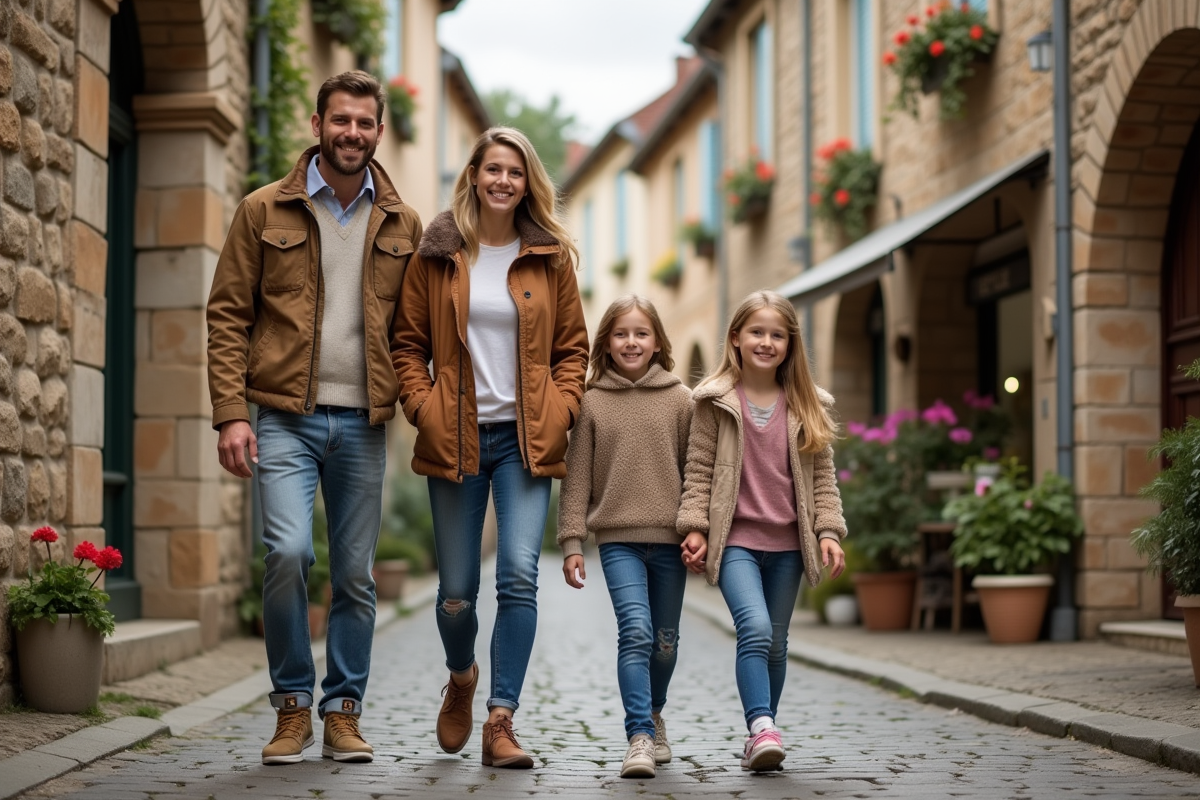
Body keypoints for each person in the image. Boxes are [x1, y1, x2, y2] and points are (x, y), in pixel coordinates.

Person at [207, 71, 422, 766]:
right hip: (283, 418)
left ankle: (344, 711)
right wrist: (229, 415)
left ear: (379, 131)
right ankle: (292, 707)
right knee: (290, 552)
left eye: (364, 122)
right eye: (341, 120)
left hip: (363, 421)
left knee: (355, 576)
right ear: (318, 122)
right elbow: (228, 316)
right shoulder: (262, 211)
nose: (352, 133)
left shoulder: (403, 224)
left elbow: (416, 329)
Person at [394, 127, 588, 769]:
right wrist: (423, 407)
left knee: (518, 579)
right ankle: (462, 676)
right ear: (475, 174)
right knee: (454, 593)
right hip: (456, 438)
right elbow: (407, 344)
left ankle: (501, 719)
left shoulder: (550, 255)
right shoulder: (440, 251)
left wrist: (561, 410)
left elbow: (572, 350)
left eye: (517, 171)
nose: (505, 181)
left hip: (526, 444)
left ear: (529, 181)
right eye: (494, 169)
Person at [676, 290, 847, 772]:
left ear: (790, 345)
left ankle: (762, 728)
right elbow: (700, 470)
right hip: (737, 543)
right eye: (757, 332)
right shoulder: (713, 402)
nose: (766, 342)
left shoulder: (808, 405)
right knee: (752, 628)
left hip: (790, 545)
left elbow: (823, 479)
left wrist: (828, 531)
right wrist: (695, 527)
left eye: (778, 335)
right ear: (736, 338)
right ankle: (761, 727)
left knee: (776, 638)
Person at [557, 295, 693, 780]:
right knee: (635, 631)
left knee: (666, 642)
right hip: (617, 540)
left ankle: (654, 713)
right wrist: (573, 540)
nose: (631, 342)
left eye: (641, 333)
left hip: (671, 542)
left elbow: (695, 473)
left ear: (657, 342)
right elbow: (576, 480)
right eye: (621, 334)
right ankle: (638, 734)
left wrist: (696, 527)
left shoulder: (681, 399)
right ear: (606, 344)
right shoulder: (592, 402)